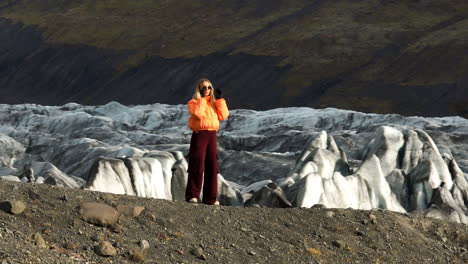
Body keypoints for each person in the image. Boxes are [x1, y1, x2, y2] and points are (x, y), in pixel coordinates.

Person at [185, 78, 229, 205]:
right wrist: (203, 99)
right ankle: (193, 195)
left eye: (209, 87)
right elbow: (198, 114)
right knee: (197, 164)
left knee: (212, 166)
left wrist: (220, 100)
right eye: (204, 88)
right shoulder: (193, 102)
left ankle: (210, 199)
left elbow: (224, 115)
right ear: (199, 89)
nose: (207, 90)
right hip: (200, 134)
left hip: (212, 135)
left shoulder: (214, 103)